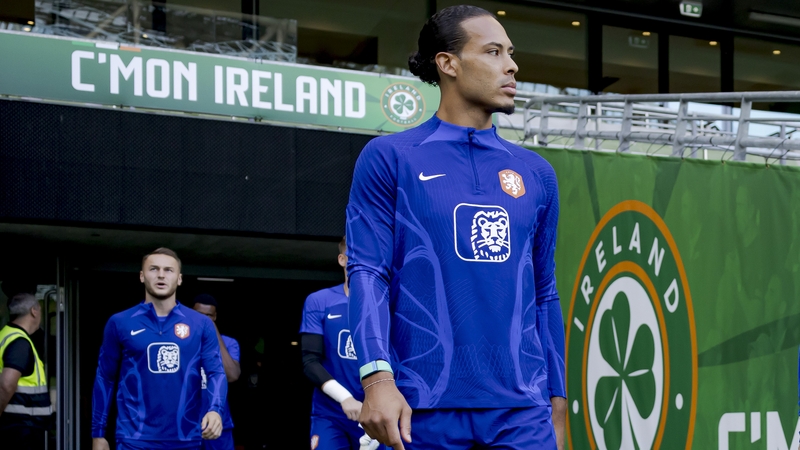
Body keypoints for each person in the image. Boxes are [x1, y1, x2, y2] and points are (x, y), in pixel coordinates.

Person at [345, 5, 566, 449]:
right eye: (493, 51)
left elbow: (545, 291)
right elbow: (368, 273)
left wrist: (558, 401)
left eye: (511, 52)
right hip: (423, 407)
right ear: (448, 63)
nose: (512, 65)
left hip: (523, 412)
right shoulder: (390, 157)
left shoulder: (537, 172)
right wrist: (375, 379)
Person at [91, 248, 228, 450]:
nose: (161, 275)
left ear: (179, 278)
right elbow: (105, 377)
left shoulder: (200, 324)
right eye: (154, 269)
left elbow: (216, 371)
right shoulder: (120, 322)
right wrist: (98, 433)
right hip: (133, 440)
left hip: (186, 439)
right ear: (142, 276)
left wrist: (215, 409)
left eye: (168, 270)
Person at [299, 237, 380, 450]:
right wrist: (345, 398)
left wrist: (380, 409)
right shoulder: (319, 301)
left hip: (376, 410)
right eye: (354, 257)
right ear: (342, 259)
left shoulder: (384, 303)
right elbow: (310, 361)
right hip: (331, 412)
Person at [0, 293, 53, 450]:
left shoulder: (5, 335)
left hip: (16, 427)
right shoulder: (20, 342)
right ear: (34, 311)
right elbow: (5, 386)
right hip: (20, 429)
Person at [192, 294, 240, 450]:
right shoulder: (181, 341)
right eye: (200, 315)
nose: (204, 320)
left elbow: (232, 375)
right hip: (185, 425)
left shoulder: (229, 343)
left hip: (218, 425)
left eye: (209, 316)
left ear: (215, 317)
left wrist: (213, 333)